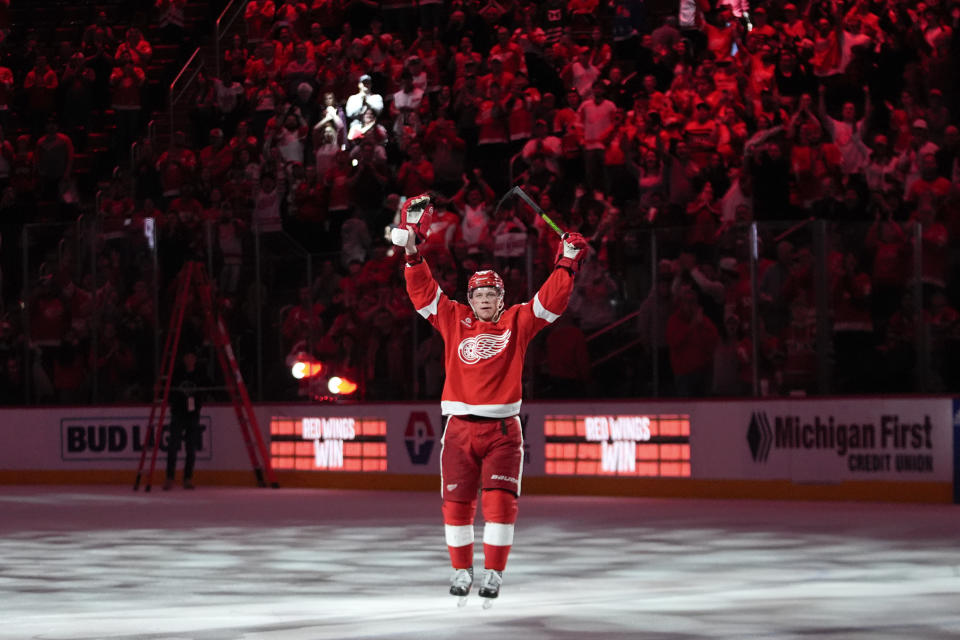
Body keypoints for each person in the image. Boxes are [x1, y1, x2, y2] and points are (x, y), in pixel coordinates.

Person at [392, 194, 587, 605]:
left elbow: (550, 302)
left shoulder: (518, 320)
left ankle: (494, 574)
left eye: (490, 295)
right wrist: (412, 258)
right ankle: (461, 570)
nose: (484, 300)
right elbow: (423, 291)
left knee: (500, 505)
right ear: (471, 297)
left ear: (501, 298)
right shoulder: (452, 318)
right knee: (456, 503)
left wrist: (567, 260)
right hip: (459, 429)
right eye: (478, 294)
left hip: (502, 431)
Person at [164, 349, 208, 490]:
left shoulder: (200, 373)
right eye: (187, 356)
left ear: (195, 359)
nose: (189, 359)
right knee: (173, 446)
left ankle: (187, 478)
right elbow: (171, 390)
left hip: (193, 414)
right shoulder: (177, 372)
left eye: (192, 356)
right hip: (178, 413)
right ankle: (170, 477)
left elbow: (206, 388)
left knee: (191, 448)